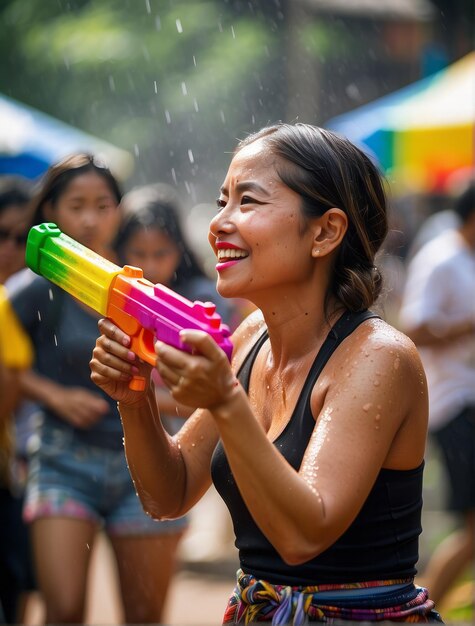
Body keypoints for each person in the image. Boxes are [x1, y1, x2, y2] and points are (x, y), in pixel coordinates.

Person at [90, 123, 442, 623]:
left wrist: (225, 400)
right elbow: (167, 494)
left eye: (248, 202)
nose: (218, 224)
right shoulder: (252, 335)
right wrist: (134, 398)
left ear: (325, 232)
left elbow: (303, 536)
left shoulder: (380, 356)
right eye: (221, 201)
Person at [8, 154, 187, 624]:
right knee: (63, 611)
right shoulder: (38, 285)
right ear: (49, 211)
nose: (90, 218)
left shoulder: (144, 276)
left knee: (144, 616)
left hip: (146, 462)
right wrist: (53, 396)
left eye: (103, 205)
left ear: (120, 211)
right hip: (62, 458)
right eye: (76, 205)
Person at [399, 181, 475, 609]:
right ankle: (419, 612)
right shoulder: (442, 257)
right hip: (451, 402)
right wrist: (466, 326)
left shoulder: (464, 256)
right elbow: (415, 327)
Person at [0, 175, 38, 625]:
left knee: (19, 578)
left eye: (21, 238)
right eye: (2, 235)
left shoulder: (40, 293)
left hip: (23, 464)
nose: (11, 247)